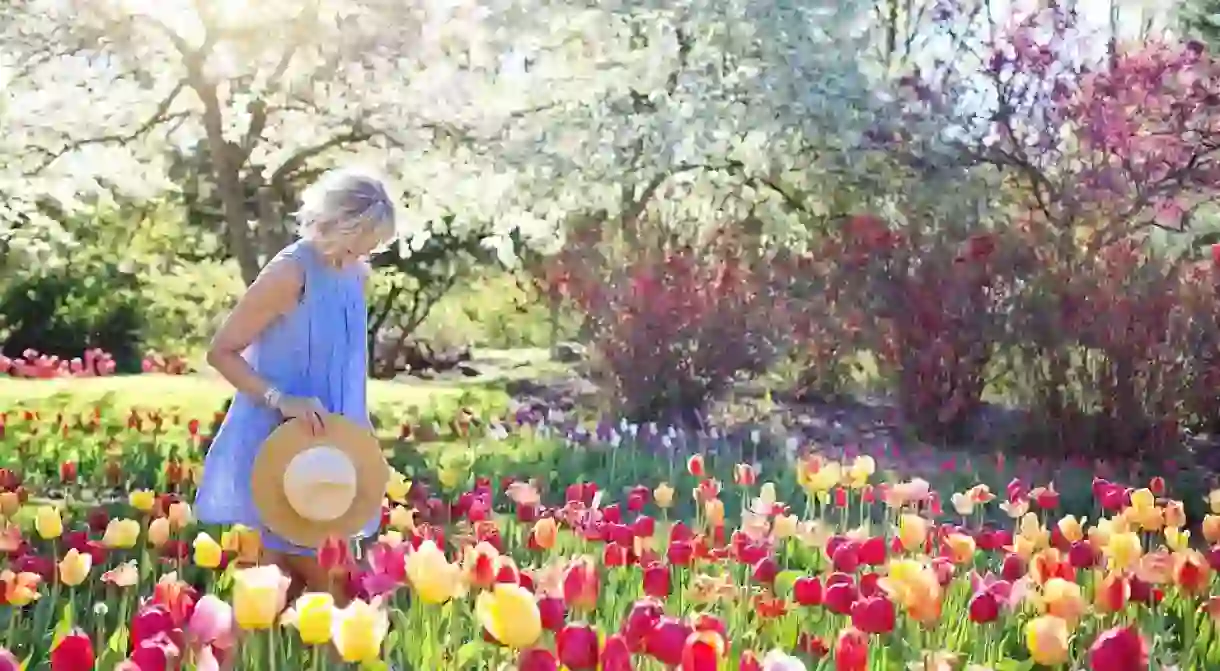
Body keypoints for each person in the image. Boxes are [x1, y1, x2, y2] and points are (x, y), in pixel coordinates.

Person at [195, 168, 397, 601]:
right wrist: (280, 399)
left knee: (290, 595)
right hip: (283, 449)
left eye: (372, 246)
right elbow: (222, 351)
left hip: (333, 453)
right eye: (361, 241)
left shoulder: (355, 275)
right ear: (339, 223)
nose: (365, 254)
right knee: (320, 593)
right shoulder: (291, 272)